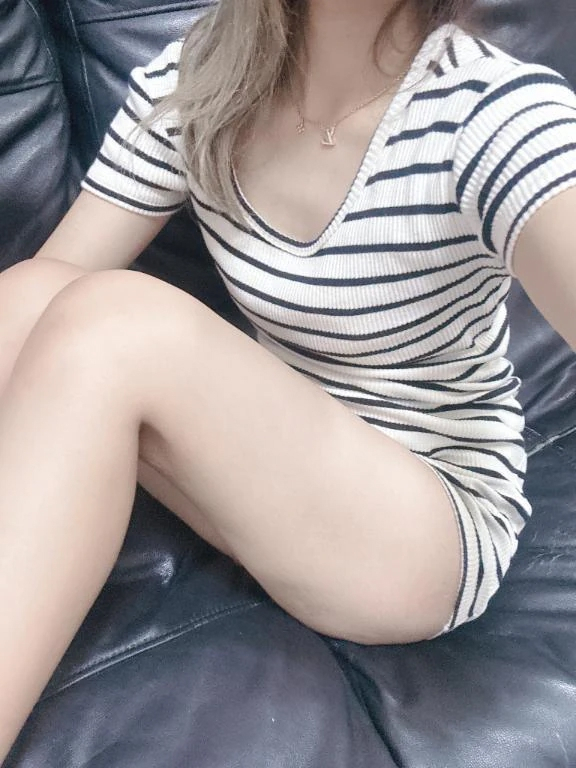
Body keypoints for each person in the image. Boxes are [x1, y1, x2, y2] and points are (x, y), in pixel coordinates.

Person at [1, 0, 576, 759]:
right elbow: (41, 304)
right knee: (32, 295)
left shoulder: (496, 118)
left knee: (113, 324)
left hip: (425, 523)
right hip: (277, 472)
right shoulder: (204, 80)